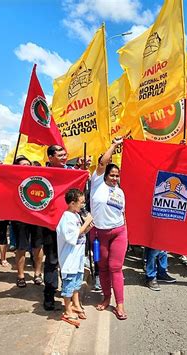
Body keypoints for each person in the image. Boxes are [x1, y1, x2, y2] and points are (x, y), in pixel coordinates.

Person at [90, 137, 128, 320]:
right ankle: (106, 298)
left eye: (117, 176)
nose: (114, 178)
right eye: (112, 175)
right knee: (102, 267)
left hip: (119, 232)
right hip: (98, 235)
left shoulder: (120, 191)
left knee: (115, 267)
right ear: (104, 174)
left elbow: (123, 213)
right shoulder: (97, 182)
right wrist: (114, 145)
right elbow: (103, 162)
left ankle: (120, 304)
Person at [56, 188, 94, 328]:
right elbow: (73, 235)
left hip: (77, 257)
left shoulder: (76, 215)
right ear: (72, 203)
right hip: (69, 259)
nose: (83, 205)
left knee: (77, 282)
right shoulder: (66, 218)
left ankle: (76, 304)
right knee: (68, 285)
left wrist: (88, 226)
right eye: (81, 203)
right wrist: (86, 223)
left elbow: (82, 232)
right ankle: (67, 310)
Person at [42, 145, 73, 310]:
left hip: (69, 225)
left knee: (69, 260)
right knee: (52, 262)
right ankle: (49, 294)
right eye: (60, 154)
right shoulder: (42, 174)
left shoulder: (73, 172)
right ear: (50, 157)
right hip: (50, 226)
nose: (64, 157)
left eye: (64, 154)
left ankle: (68, 293)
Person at [12, 156, 44, 288]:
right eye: (23, 164)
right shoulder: (12, 180)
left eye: (28, 164)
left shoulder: (37, 178)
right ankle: (20, 275)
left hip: (36, 217)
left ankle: (37, 273)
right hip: (19, 218)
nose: (26, 165)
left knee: (37, 246)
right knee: (21, 247)